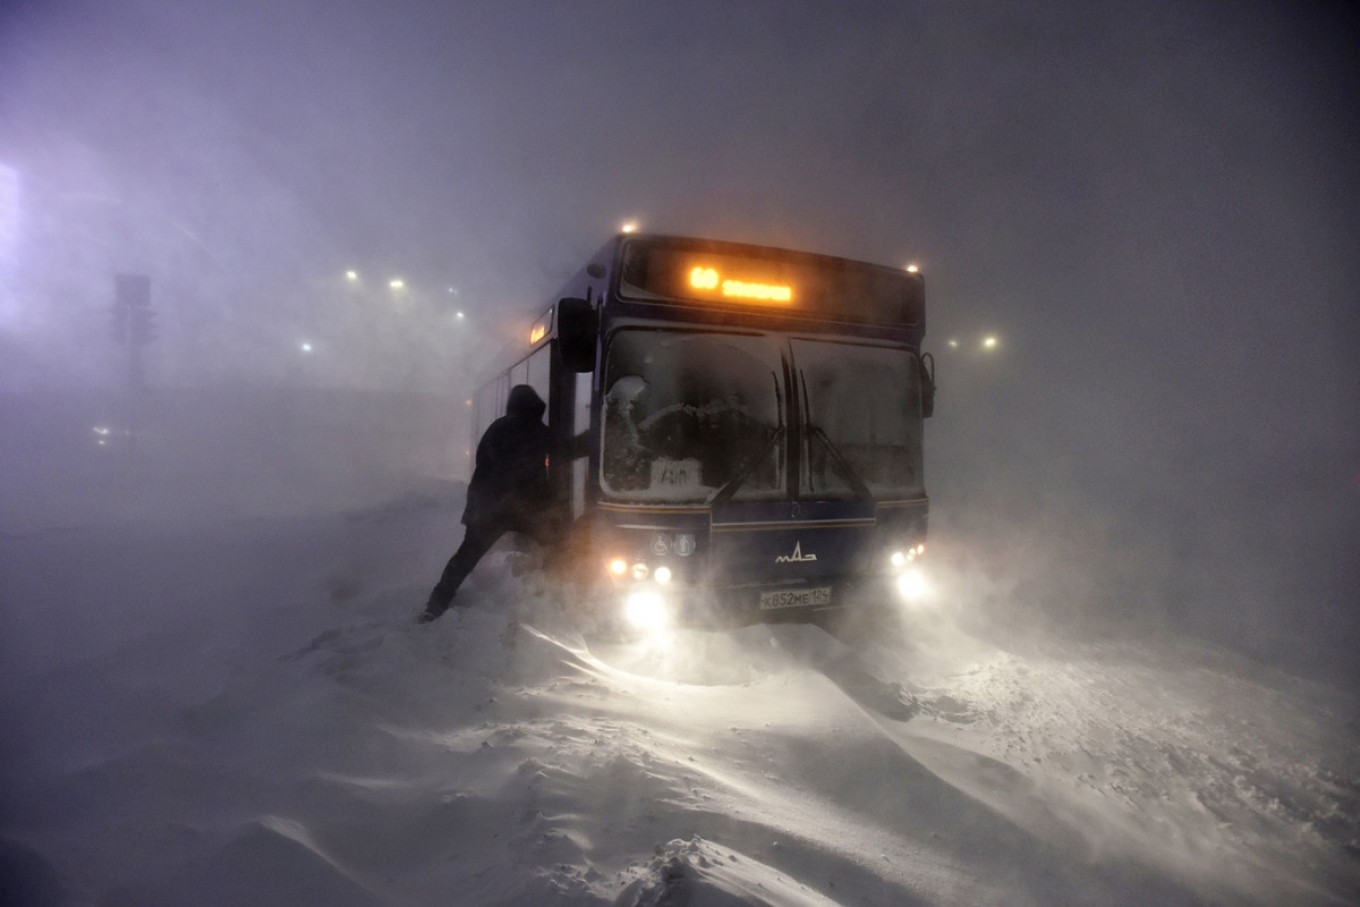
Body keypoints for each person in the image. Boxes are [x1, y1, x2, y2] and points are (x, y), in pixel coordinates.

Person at [419, 385, 554, 622]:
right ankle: (560, 599)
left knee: (465, 557)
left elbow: (483, 462)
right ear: (534, 407)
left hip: (487, 506)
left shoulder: (497, 428)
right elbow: (566, 448)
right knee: (555, 545)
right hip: (520, 508)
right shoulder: (536, 430)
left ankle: (436, 604)